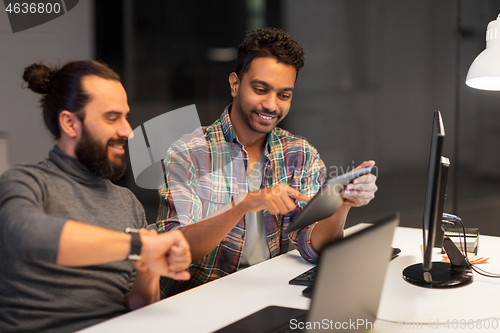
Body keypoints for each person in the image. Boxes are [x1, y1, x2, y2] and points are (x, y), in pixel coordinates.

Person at [157, 27, 377, 298]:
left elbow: (312, 246)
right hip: (200, 300)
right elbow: (176, 248)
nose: (271, 105)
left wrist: (343, 205)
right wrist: (245, 204)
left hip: (269, 294)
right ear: (235, 84)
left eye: (284, 95)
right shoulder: (189, 153)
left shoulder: (299, 154)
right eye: (260, 89)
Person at [0, 60, 191, 333]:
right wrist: (138, 244)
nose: (128, 131)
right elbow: (28, 235)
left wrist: (149, 268)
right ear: (70, 123)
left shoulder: (127, 202)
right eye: (112, 118)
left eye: (126, 116)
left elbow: (137, 305)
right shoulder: (24, 183)